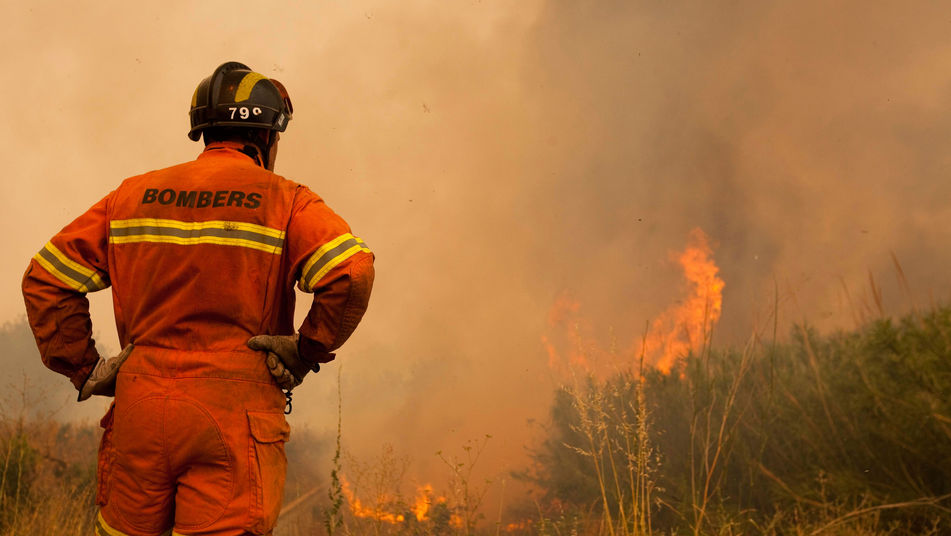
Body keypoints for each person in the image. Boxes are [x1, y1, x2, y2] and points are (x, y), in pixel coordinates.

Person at [21, 61, 375, 536]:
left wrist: (84, 368)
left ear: (203, 131)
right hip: (233, 419)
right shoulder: (287, 201)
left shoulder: (129, 196)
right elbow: (350, 272)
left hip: (139, 414)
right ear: (268, 137)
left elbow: (47, 277)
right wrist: (305, 348)